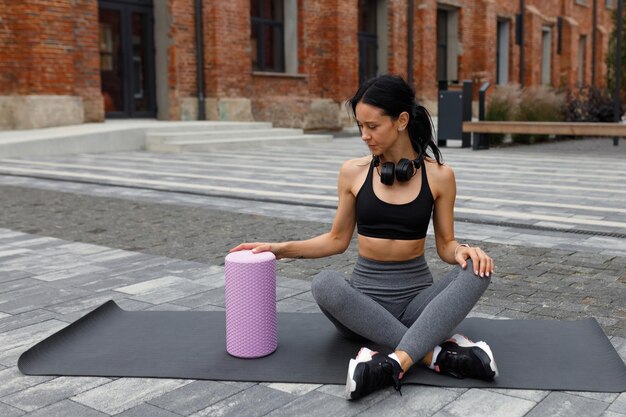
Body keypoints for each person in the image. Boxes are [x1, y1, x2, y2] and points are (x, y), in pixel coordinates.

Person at [230, 74, 498, 400]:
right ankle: (433, 354)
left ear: (401, 120)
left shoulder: (440, 176)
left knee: (478, 270)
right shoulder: (353, 172)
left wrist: (465, 252)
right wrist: (280, 249)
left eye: (372, 126)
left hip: (417, 305)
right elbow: (336, 240)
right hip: (361, 308)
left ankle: (394, 361)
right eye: (360, 126)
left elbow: (445, 245)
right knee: (324, 283)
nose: (364, 135)